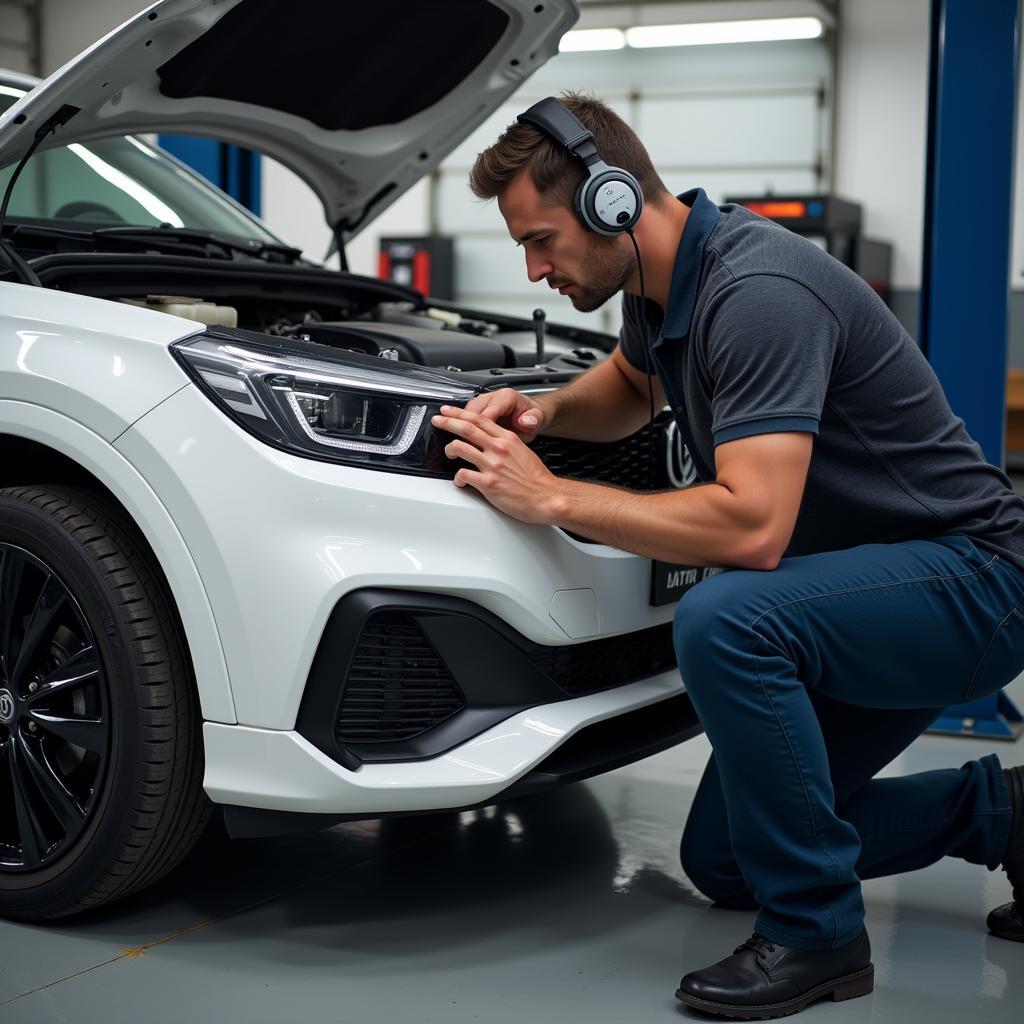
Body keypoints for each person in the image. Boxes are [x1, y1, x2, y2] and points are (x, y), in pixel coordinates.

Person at [428, 91, 1024, 1019]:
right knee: (728, 858)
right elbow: (630, 385)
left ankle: (820, 936)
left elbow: (753, 529)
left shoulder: (758, 294)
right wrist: (543, 410)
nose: (536, 269)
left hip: (973, 581)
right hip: (864, 595)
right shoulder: (663, 289)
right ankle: (1008, 816)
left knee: (728, 615)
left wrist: (551, 496)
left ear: (611, 203)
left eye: (540, 239)